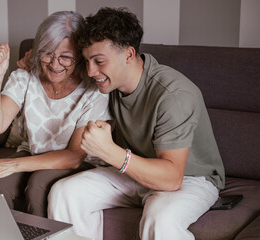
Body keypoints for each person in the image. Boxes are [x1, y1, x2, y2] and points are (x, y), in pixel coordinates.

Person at [47, 7, 225, 240]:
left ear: (129, 55)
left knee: (161, 219)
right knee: (64, 192)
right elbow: (60, 67)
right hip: (135, 170)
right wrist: (30, 61)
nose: (91, 71)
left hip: (190, 178)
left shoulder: (173, 95)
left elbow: (171, 178)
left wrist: (110, 152)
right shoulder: (108, 82)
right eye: (87, 61)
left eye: (99, 61)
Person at [0, 11, 111, 217]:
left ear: (80, 55)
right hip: (34, 153)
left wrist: (13, 164)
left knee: (39, 184)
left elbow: (74, 157)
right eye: (47, 53)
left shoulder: (93, 90)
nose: (55, 64)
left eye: (66, 57)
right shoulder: (25, 76)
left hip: (79, 161)